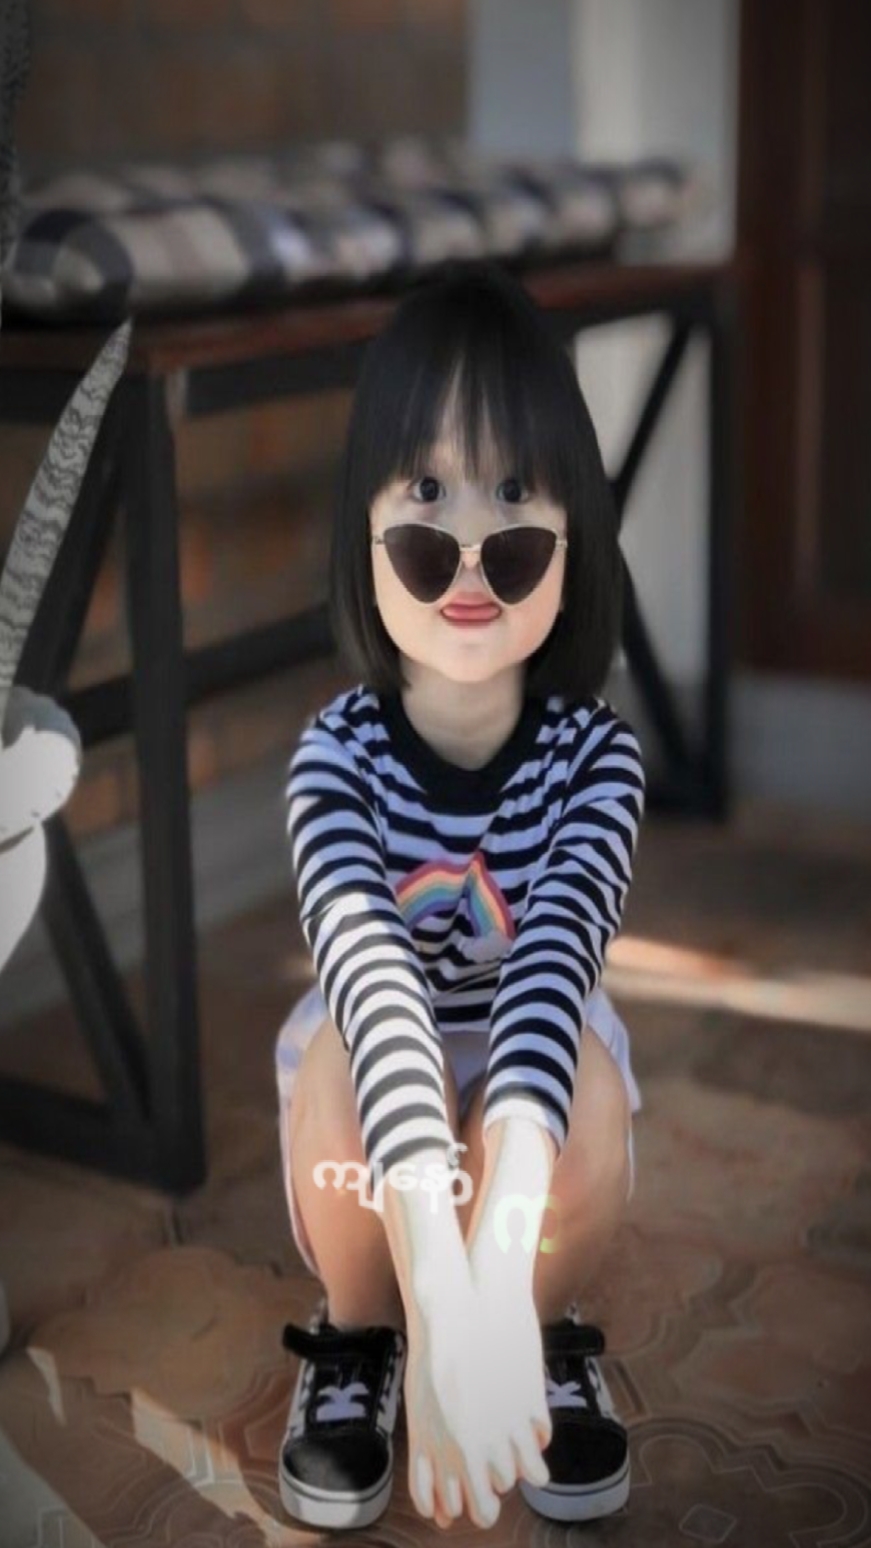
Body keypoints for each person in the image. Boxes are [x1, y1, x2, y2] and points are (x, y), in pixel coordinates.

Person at [275, 258, 646, 1533]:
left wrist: (490, 1281)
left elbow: (552, 969)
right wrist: (433, 1294)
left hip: (521, 1112)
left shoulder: (596, 763)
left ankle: (534, 1330)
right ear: (364, 535)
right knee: (342, 1059)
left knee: (584, 1080)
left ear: (576, 535)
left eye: (517, 493)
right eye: (428, 491)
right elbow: (373, 981)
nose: (474, 552)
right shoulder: (333, 758)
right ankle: (361, 1335)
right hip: (380, 1121)